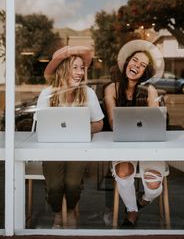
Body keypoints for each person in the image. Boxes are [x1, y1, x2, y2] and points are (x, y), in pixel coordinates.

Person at [36, 45, 104, 229]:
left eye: (82, 68)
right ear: (63, 69)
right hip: (52, 150)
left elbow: (99, 124)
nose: (80, 72)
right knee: (54, 187)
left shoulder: (87, 93)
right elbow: (39, 124)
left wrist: (80, 129)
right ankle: (58, 214)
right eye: (75, 67)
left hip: (77, 149)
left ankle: (72, 209)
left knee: (73, 184)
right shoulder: (47, 94)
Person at [104, 39, 166, 228]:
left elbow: (155, 121)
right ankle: (132, 211)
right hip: (122, 144)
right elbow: (114, 121)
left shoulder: (150, 90)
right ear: (127, 62)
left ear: (145, 72)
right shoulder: (112, 88)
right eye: (134, 61)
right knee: (123, 171)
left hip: (148, 144)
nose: (136, 66)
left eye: (142, 65)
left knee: (154, 186)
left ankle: (143, 201)